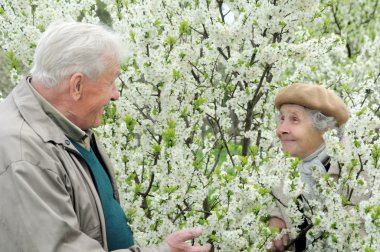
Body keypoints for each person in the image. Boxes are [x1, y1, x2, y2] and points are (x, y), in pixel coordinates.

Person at [0, 21, 211, 252]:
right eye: (111, 81)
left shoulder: (69, 125)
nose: (116, 94)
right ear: (77, 85)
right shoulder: (24, 155)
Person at [268, 83, 350, 251]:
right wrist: (276, 217)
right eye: (282, 118)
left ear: (324, 128)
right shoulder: (282, 164)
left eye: (294, 119)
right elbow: (273, 197)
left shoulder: (357, 175)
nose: (281, 129)